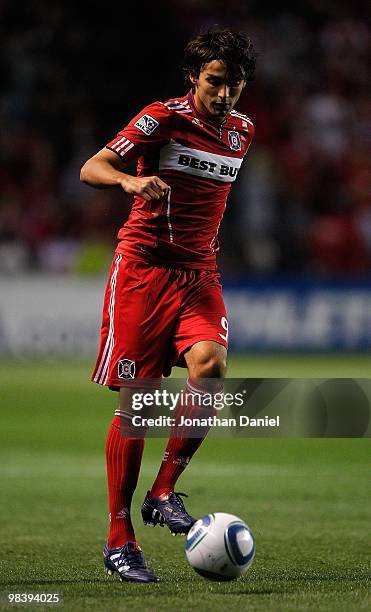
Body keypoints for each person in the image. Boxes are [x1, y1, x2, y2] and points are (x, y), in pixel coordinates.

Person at [80, 27, 256, 583]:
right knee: (137, 406)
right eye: (215, 82)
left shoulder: (242, 132)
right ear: (194, 78)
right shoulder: (163, 117)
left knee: (212, 367)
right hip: (143, 272)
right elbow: (93, 167)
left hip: (199, 274)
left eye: (234, 84)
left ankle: (163, 490)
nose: (224, 94)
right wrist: (131, 184)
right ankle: (119, 538)